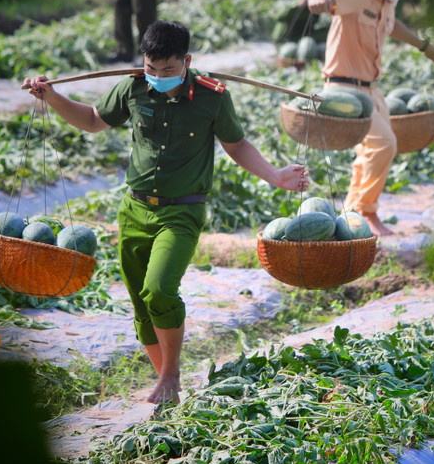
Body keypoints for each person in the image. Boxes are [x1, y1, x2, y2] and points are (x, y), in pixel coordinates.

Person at [22, 21, 308, 404]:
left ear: (186, 61)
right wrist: (51, 97)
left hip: (182, 213)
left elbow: (236, 145)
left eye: (168, 70)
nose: (157, 77)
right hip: (134, 210)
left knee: (159, 290)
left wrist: (276, 176)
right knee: (141, 302)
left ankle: (172, 376)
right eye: (151, 68)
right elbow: (92, 120)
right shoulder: (133, 87)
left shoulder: (212, 97)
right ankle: (165, 386)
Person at [305, 0, 434, 237]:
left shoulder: (386, 0)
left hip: (372, 88)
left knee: (370, 151)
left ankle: (354, 213)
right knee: (385, 144)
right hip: (344, 88)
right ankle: (365, 212)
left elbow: (392, 27)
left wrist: (423, 46)